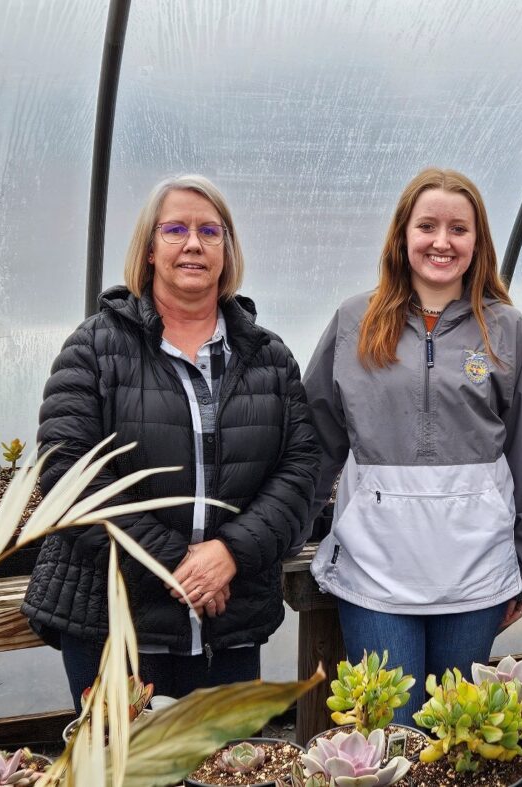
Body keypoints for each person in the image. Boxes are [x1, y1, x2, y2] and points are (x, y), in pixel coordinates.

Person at [23, 175, 321, 710]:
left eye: (210, 231)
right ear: (150, 247)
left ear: (227, 251)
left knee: (222, 767)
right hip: (114, 624)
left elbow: (300, 471)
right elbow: (67, 473)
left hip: (228, 627)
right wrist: (176, 563)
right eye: (176, 229)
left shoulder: (268, 358)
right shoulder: (94, 348)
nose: (193, 244)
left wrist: (231, 551)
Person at [303, 167, 522, 721]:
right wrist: (287, 533)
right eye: (428, 226)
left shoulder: (505, 329)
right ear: (402, 236)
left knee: (456, 734)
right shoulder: (355, 321)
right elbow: (315, 438)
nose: (442, 241)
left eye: (459, 229)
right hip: (376, 570)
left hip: (475, 571)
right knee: (394, 732)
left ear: (477, 242)